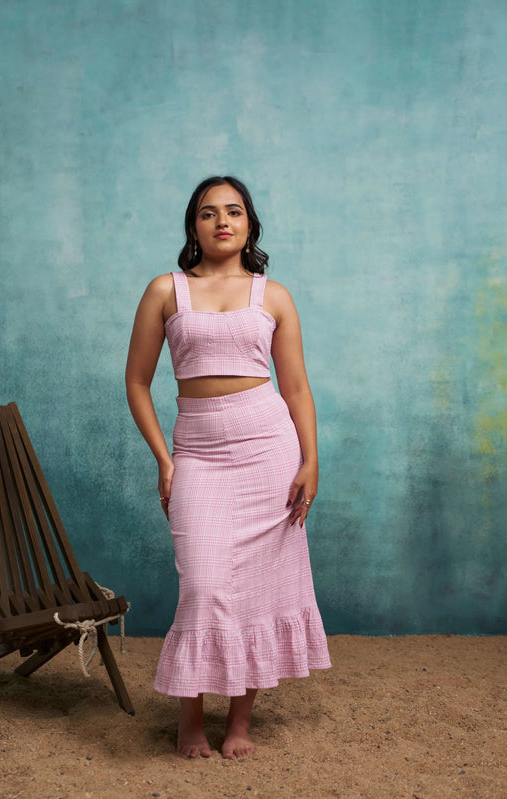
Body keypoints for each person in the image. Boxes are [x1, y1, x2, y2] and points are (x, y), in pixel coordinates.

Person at [125, 176, 331, 759]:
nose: (222, 221)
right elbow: (137, 381)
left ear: (249, 225)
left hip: (269, 449)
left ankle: (239, 724)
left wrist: (311, 459)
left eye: (234, 211)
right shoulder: (166, 291)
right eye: (208, 212)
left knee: (260, 591)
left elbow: (296, 387)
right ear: (193, 226)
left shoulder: (274, 296)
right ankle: (190, 719)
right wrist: (165, 460)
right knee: (204, 585)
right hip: (198, 454)